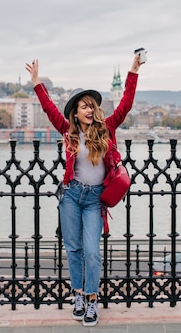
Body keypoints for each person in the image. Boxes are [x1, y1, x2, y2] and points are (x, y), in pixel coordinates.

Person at [25, 53, 143, 327]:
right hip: (70, 196)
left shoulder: (107, 128)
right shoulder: (68, 131)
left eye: (91, 105)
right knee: (74, 249)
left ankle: (92, 300)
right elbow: (49, 110)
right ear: (75, 113)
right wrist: (36, 82)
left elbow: (125, 104)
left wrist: (133, 71)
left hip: (93, 199)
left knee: (91, 250)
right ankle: (78, 295)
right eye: (83, 107)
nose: (89, 110)